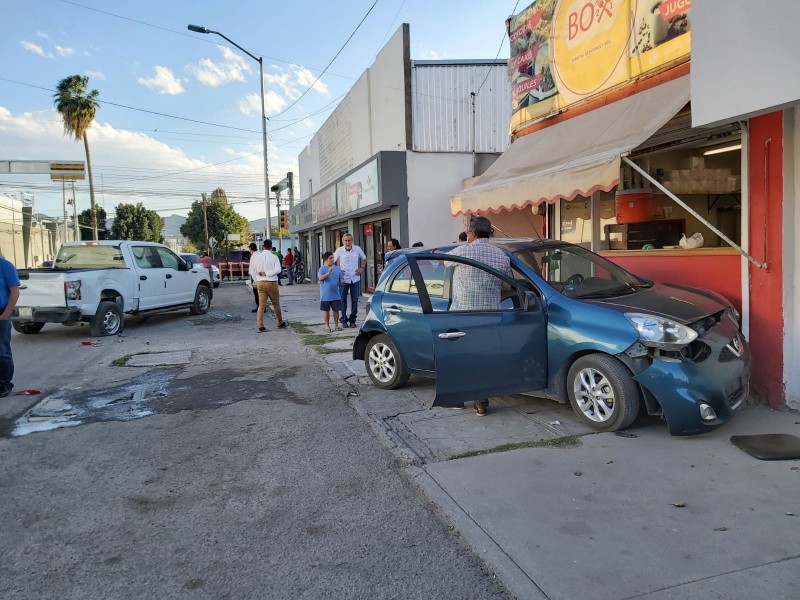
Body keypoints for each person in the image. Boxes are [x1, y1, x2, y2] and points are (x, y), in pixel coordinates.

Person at [442, 215, 511, 416]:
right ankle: (481, 403)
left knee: (460, 357)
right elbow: (507, 285)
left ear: (471, 234)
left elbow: (445, 262)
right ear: (490, 233)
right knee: (484, 358)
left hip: (463, 316)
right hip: (490, 317)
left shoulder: (463, 250)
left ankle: (457, 398)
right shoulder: (501, 256)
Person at [249, 239, 287, 332]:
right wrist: (267, 273)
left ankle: (260, 325)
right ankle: (280, 322)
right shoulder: (274, 257)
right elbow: (278, 270)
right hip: (271, 282)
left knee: (261, 305)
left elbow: (252, 271)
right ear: (271, 246)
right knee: (275, 303)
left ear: (263, 246)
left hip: (260, 283)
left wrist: (256, 280)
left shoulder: (257, 257)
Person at [333, 233, 367, 329]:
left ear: (352, 241)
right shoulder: (339, 250)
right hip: (344, 279)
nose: (347, 242)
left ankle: (353, 320)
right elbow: (331, 262)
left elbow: (364, 259)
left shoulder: (357, 249)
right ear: (343, 241)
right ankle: (343, 319)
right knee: (342, 300)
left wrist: (361, 268)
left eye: (349, 240)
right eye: (346, 240)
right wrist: (338, 270)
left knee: (355, 300)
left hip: (355, 279)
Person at [0, 254, 21, 397]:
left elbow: (14, 292)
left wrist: (5, 314)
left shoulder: (5, 266)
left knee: (2, 351)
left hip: (1, 314)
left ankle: (4, 384)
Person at [318, 251, 344, 332]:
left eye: (333, 258)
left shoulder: (337, 268)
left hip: (335, 294)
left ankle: (336, 325)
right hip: (325, 295)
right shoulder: (322, 269)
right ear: (325, 260)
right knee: (326, 310)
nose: (332, 260)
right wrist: (328, 274)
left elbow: (341, 279)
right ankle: (327, 326)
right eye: (330, 258)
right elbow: (320, 278)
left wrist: (342, 281)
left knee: (336, 310)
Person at [248, 242, 260, 312]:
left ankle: (259, 307)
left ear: (251, 248)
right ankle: (260, 306)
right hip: (258, 276)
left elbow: (253, 269)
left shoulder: (254, 256)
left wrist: (255, 281)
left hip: (255, 277)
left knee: (256, 293)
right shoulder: (258, 254)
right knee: (260, 293)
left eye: (249, 248)